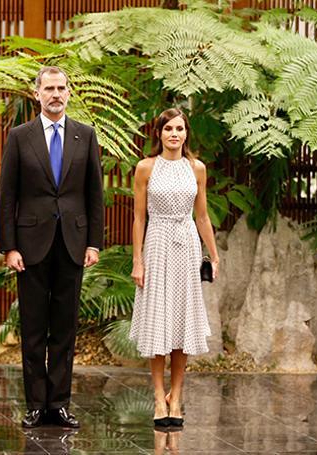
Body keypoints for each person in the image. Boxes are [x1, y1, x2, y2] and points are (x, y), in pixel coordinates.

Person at [0, 66, 104, 429]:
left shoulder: (85, 136)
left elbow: (94, 194)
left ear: (69, 92)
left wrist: (94, 242)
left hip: (73, 244)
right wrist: (9, 246)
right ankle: (34, 405)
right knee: (32, 329)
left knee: (64, 328)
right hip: (30, 247)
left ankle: (58, 403)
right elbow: (7, 195)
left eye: (61, 88)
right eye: (49, 89)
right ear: (38, 93)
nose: (56, 94)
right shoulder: (19, 137)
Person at [129, 108, 219, 427]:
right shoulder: (145, 168)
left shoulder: (197, 168)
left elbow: (203, 216)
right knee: (158, 323)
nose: (174, 134)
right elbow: (139, 217)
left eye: (180, 129)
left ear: (186, 133)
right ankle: (157, 397)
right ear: (159, 133)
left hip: (187, 245)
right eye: (168, 128)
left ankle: (176, 397)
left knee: (181, 323)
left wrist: (214, 254)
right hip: (156, 244)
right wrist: (137, 261)